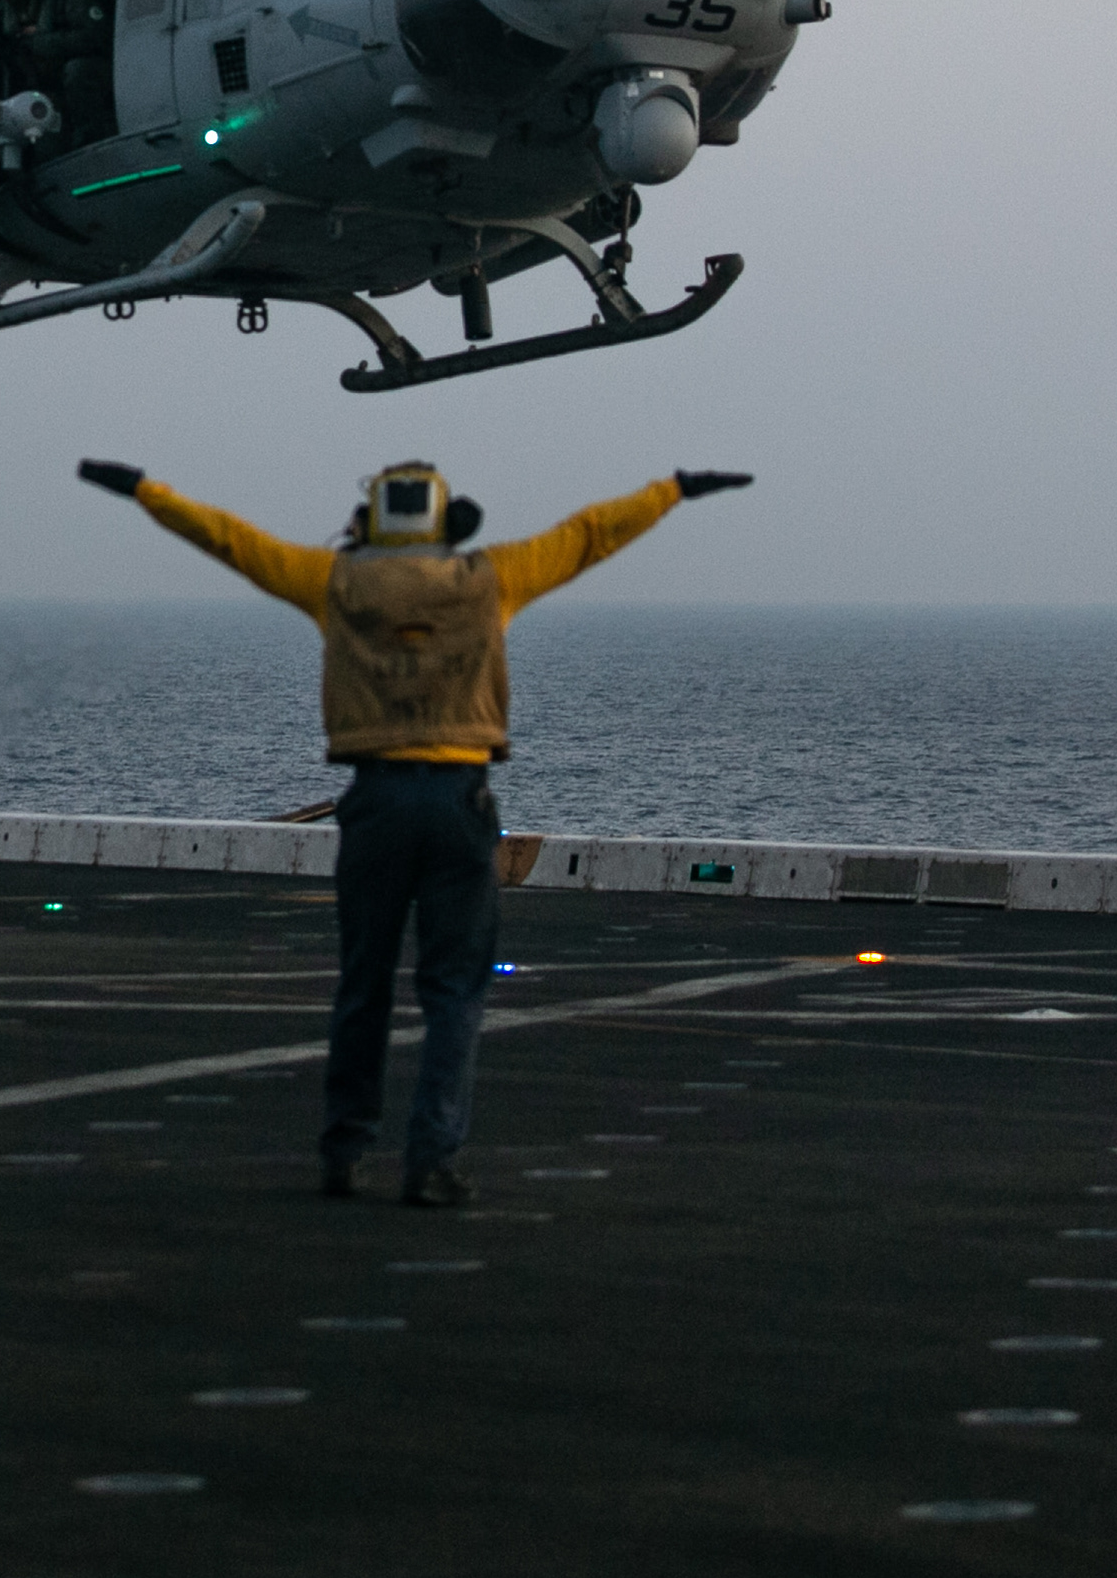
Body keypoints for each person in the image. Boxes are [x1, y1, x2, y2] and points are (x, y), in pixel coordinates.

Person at [73, 455, 751, 1205]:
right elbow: (589, 535)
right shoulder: (490, 579)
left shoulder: (336, 583)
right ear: (452, 520)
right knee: (455, 990)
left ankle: (344, 1148)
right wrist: (673, 491)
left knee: (363, 983)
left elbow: (231, 541)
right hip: (460, 800)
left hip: (376, 800)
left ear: (367, 524)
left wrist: (145, 491)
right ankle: (431, 1160)